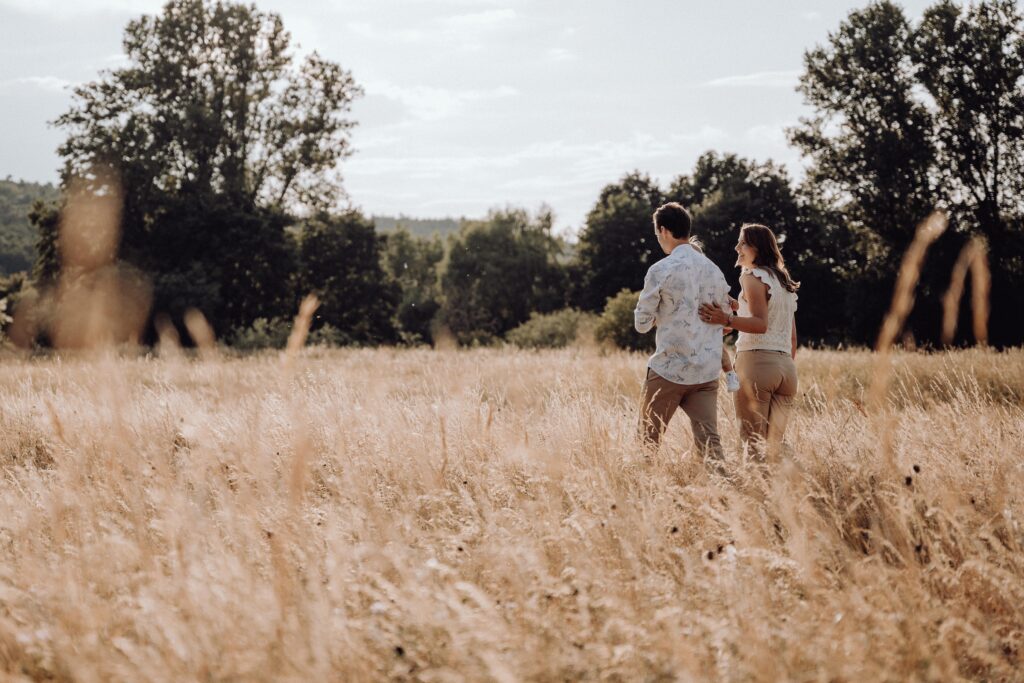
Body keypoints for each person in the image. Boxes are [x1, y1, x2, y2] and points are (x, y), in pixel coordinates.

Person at [634, 202, 732, 469]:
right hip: (706, 372)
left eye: (657, 234)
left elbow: (642, 323)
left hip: (669, 369)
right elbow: (726, 321)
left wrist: (661, 315)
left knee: (647, 443)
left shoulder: (660, 270)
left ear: (663, 230)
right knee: (711, 445)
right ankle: (729, 501)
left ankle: (642, 499)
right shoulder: (714, 270)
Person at [699, 223, 799, 459]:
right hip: (786, 370)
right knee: (776, 445)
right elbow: (791, 336)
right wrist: (736, 312)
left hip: (756, 366)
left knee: (753, 445)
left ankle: (755, 495)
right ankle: (794, 489)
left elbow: (760, 324)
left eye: (742, 243)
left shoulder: (752, 277)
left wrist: (726, 318)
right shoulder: (784, 283)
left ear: (756, 248)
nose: (737, 248)